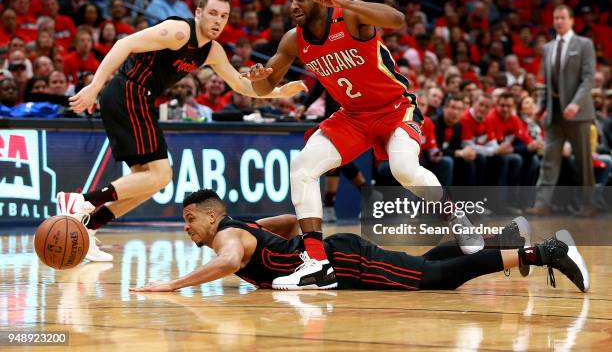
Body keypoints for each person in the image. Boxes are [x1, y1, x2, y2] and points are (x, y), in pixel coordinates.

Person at [245, 0, 483, 290]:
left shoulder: (351, 16)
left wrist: (341, 0)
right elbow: (266, 86)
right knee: (302, 167)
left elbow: (397, 18)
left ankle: (456, 218)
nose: (293, 5)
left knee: (404, 169)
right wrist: (259, 77)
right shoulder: (293, 40)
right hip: (353, 116)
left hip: (394, 108)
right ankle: (317, 263)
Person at [57, 0, 307, 263]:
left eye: (223, 16)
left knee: (148, 182)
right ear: (198, 13)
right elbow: (123, 44)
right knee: (161, 175)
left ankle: (88, 225)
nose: (217, 21)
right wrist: (94, 87)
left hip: (139, 98)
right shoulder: (178, 31)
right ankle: (82, 201)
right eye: (212, 13)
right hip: (129, 91)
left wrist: (278, 93)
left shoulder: (212, 51)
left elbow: (240, 84)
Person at [130, 189, 589, 294]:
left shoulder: (228, 236)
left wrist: (170, 285)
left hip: (344, 260)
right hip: (339, 255)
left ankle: (544, 251)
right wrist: (283, 248)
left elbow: (229, 262)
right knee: (424, 263)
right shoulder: (241, 225)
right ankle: (501, 239)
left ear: (213, 215)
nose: (186, 227)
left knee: (432, 280)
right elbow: (292, 219)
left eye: (190, 219)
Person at [527, 5, 597, 217]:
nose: (558, 21)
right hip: (555, 112)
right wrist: (541, 106)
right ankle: (542, 204)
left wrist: (575, 103)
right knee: (549, 160)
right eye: (556, 18)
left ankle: (589, 205)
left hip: (579, 113)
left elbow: (588, 78)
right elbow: (546, 83)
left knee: (584, 162)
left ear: (572, 20)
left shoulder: (584, 44)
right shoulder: (548, 48)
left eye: (563, 17)